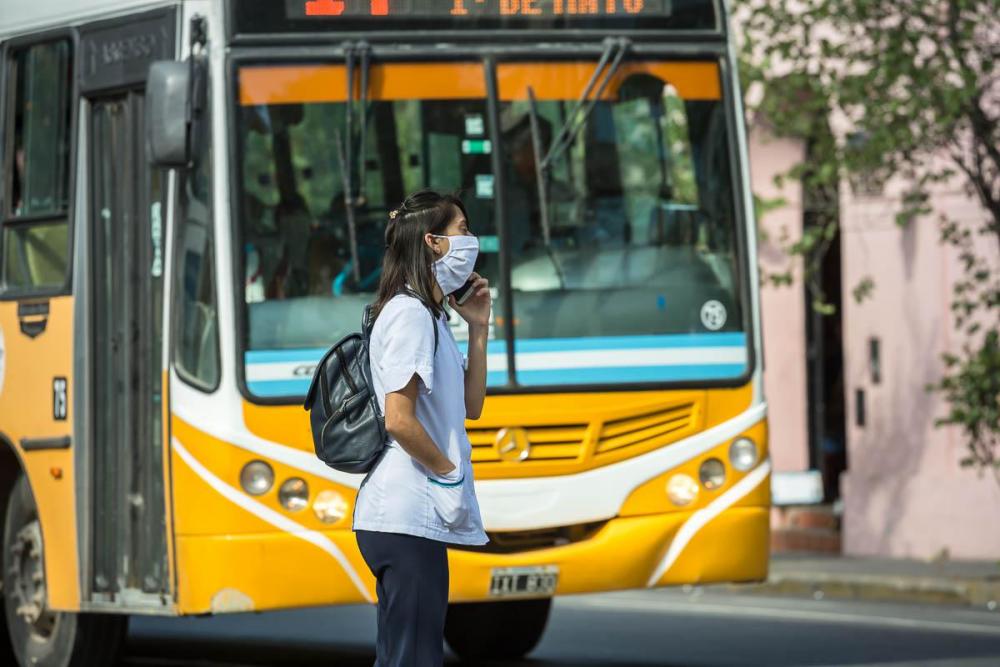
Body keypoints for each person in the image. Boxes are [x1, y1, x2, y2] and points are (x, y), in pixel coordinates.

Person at [353, 189, 490, 666]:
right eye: (463, 231)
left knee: (403, 656)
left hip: (410, 520)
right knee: (414, 658)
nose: (471, 241)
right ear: (433, 242)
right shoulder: (410, 313)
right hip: (405, 515)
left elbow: (471, 407)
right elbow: (399, 419)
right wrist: (447, 473)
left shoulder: (430, 315)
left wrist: (477, 328)